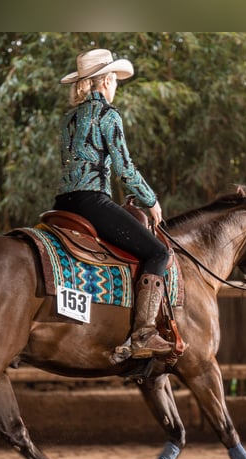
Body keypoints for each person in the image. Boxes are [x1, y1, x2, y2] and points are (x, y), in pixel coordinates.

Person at [56, 48, 172, 359]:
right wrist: (150, 200)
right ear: (106, 81)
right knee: (158, 252)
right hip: (92, 201)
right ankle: (144, 333)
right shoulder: (108, 115)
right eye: (115, 79)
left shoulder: (68, 118)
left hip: (63, 204)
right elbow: (124, 168)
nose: (116, 85)